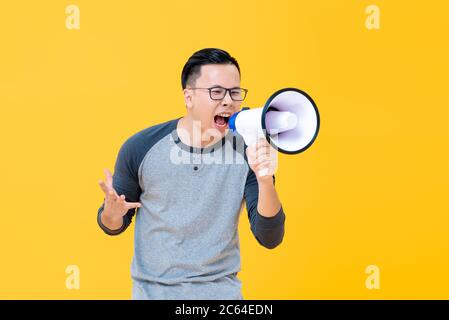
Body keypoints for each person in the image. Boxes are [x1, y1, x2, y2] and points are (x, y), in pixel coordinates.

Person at [97, 48, 286, 300]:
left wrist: (265, 181)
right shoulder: (140, 147)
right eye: (216, 92)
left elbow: (269, 237)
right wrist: (112, 213)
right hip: (153, 294)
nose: (228, 101)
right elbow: (112, 226)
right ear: (188, 97)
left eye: (234, 92)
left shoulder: (249, 150)